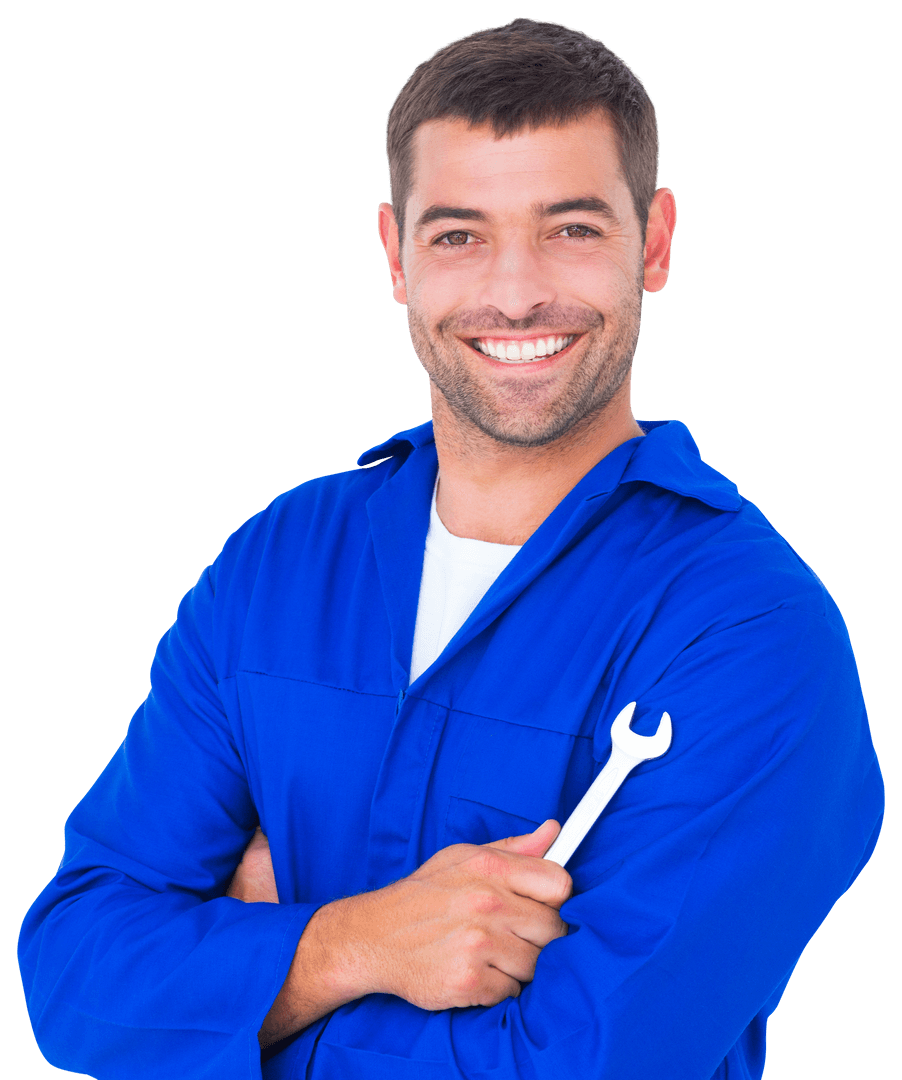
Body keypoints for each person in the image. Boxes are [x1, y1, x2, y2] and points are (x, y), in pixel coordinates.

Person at [18, 17, 883, 1080]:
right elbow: (72, 974)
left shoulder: (747, 633)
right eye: (458, 236)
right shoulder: (276, 564)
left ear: (652, 243)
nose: (514, 294)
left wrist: (238, 972)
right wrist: (348, 944)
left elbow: (581, 1066)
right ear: (396, 255)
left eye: (571, 228)